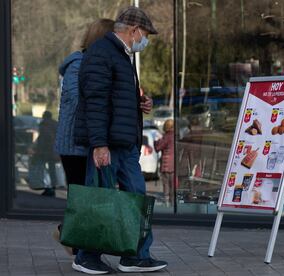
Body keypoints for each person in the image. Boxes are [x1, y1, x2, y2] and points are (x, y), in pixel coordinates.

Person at [73, 6, 167, 274]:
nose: (145, 40)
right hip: (108, 143)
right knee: (100, 198)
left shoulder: (121, 56)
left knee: (136, 196)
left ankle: (136, 255)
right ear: (134, 30)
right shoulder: (102, 53)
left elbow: (115, 99)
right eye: (145, 34)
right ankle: (85, 255)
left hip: (124, 143)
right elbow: (96, 102)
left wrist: (140, 103)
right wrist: (99, 144)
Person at [53, 18, 115, 255]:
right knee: (81, 197)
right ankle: (74, 242)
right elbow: (77, 99)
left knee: (85, 197)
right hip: (73, 145)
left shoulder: (95, 64)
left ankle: (72, 238)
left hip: (87, 142)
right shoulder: (77, 65)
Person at [35, 110, 59, 196]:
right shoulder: (56, 124)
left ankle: (48, 188)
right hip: (54, 151)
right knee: (52, 169)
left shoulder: (43, 124)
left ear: (44, 116)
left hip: (45, 151)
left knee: (44, 170)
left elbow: (42, 138)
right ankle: (53, 187)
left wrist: (37, 150)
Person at [154, 119, 174, 207]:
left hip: (166, 164)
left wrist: (156, 141)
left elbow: (158, 148)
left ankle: (167, 202)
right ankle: (173, 202)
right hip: (175, 164)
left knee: (166, 184)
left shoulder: (167, 136)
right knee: (173, 185)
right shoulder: (176, 136)